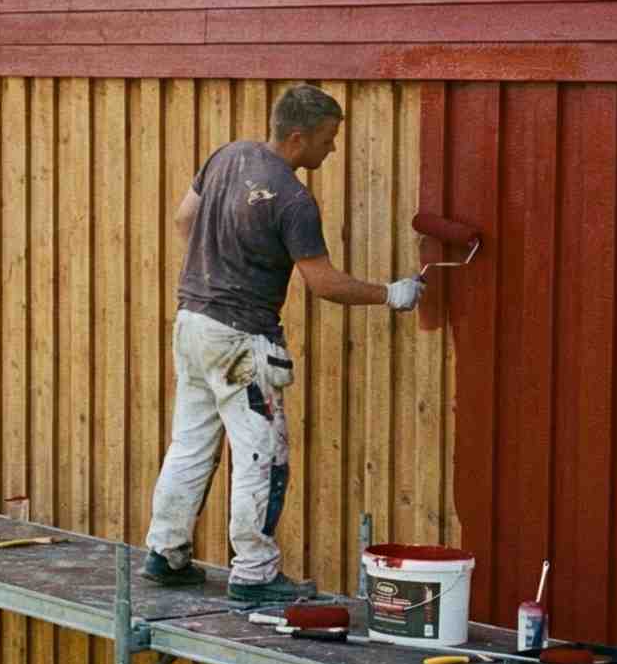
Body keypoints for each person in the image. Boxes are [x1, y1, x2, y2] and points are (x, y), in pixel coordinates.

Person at [142, 84, 422, 604]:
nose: (331, 149)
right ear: (299, 136)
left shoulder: (229, 156)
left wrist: (224, 263)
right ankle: (254, 573)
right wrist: (391, 294)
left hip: (193, 322)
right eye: (327, 139)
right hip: (242, 342)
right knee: (261, 454)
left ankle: (166, 553)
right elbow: (324, 284)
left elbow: (185, 219)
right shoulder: (292, 200)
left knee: (191, 444)